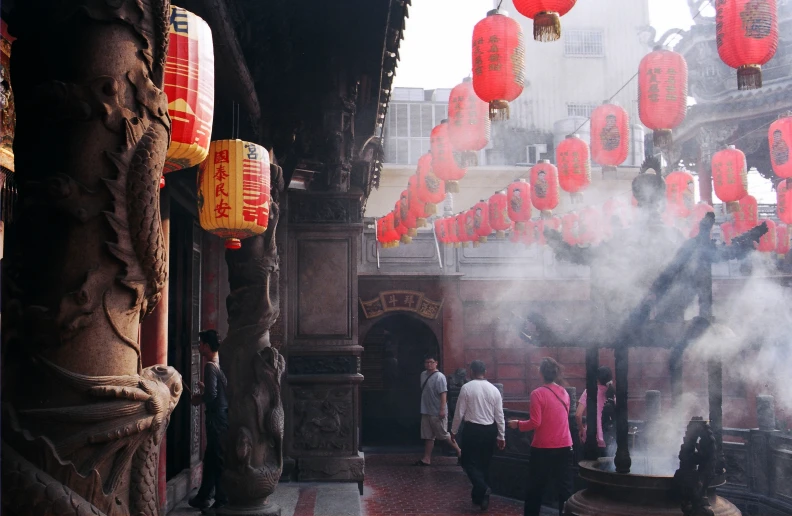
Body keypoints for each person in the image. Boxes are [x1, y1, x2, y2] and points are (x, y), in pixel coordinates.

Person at [508, 358, 572, 516]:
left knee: (535, 487)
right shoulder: (564, 392)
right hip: (565, 444)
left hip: (543, 448)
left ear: (541, 373)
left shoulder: (537, 394)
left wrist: (518, 424)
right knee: (564, 488)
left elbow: (535, 422)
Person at [451, 360, 506, 512]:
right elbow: (499, 415)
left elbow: (459, 412)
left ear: (471, 372)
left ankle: (482, 487)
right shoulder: (494, 389)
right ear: (485, 372)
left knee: (467, 462)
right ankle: (480, 498)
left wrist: (453, 431)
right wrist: (501, 435)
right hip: (489, 430)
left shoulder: (467, 387)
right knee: (485, 464)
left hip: (472, 430)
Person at [188, 330, 229, 510]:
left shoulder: (210, 366)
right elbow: (221, 388)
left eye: (201, 343)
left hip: (216, 418)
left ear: (206, 345)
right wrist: (206, 390)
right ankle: (204, 496)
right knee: (211, 457)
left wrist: (198, 398)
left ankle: (221, 501)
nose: (199, 347)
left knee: (217, 458)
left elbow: (211, 395)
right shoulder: (220, 363)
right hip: (222, 415)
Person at [416, 353, 461, 466]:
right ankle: (426, 459)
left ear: (436, 363)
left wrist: (442, 409)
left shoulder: (439, 377)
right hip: (426, 410)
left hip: (437, 410)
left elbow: (443, 394)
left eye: (431, 362)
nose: (429, 364)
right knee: (428, 436)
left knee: (443, 435)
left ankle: (459, 451)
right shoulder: (423, 375)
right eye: (427, 362)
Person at [575, 366, 614, 457]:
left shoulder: (589, 391)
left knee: (589, 468)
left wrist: (581, 430)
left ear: (597, 378)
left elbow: (578, 415)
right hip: (608, 440)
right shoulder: (612, 393)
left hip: (591, 439)